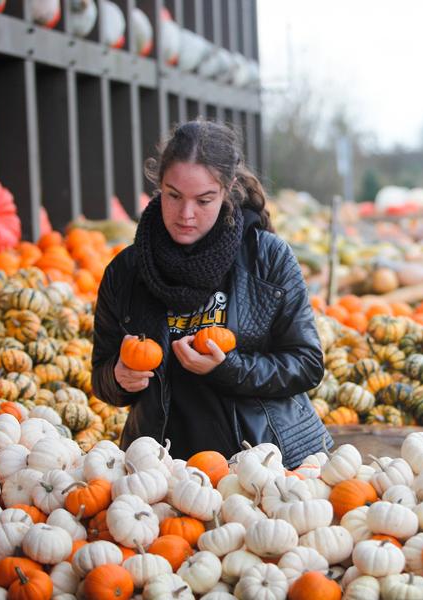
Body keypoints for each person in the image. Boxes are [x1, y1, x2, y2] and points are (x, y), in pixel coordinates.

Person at [91, 120, 330, 467]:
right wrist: (118, 378)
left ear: (227, 189)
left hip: (261, 464)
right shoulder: (126, 271)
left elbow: (307, 364)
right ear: (159, 187)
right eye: (174, 196)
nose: (186, 215)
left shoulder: (267, 257)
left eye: (204, 200)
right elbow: (102, 374)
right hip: (161, 470)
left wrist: (229, 368)